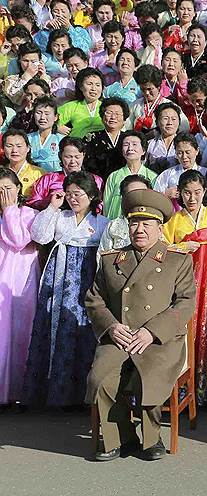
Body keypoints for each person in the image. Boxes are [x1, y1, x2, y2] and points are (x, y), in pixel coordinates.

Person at [85, 189, 196, 461]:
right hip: (121, 335)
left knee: (149, 375)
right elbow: (94, 299)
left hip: (158, 338)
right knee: (101, 377)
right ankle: (118, 438)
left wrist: (151, 332)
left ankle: (151, 437)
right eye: (134, 223)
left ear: (160, 228)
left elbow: (185, 303)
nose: (140, 230)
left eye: (147, 224)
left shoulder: (177, 260)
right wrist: (111, 327)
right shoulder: (112, 260)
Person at [23, 172, 109, 407]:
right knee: (56, 325)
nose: (72, 198)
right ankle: (54, 392)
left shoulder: (102, 223)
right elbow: (39, 236)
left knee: (84, 329)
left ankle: (84, 395)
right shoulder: (60, 216)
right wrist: (52, 206)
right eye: (68, 193)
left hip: (87, 277)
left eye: (78, 194)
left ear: (91, 195)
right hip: (59, 277)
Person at [163, 170, 207, 406]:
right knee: (188, 334)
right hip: (186, 284)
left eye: (197, 192)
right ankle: (188, 388)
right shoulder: (174, 221)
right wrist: (183, 246)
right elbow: (164, 250)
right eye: (187, 193)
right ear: (180, 194)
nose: (192, 197)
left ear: (204, 192)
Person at [0, 168, 40, 408]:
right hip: (2, 283)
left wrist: (9, 210)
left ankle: (22, 393)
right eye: (0, 190)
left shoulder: (30, 214)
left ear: (19, 189)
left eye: (8, 188)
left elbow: (18, 240)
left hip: (23, 283)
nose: (5, 194)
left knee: (22, 337)